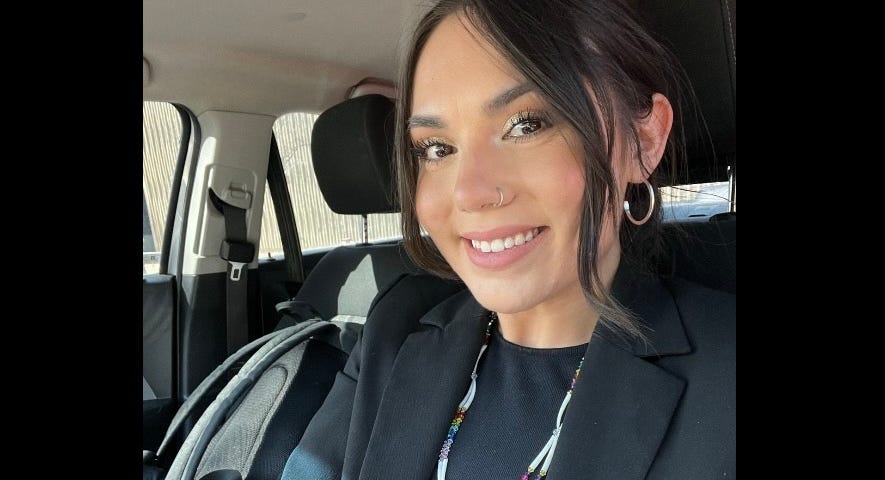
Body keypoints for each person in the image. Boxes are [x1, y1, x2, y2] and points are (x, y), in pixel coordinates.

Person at [282, 0, 735, 478]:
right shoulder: (395, 328)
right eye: (437, 148)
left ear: (642, 140)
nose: (469, 192)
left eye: (527, 125)